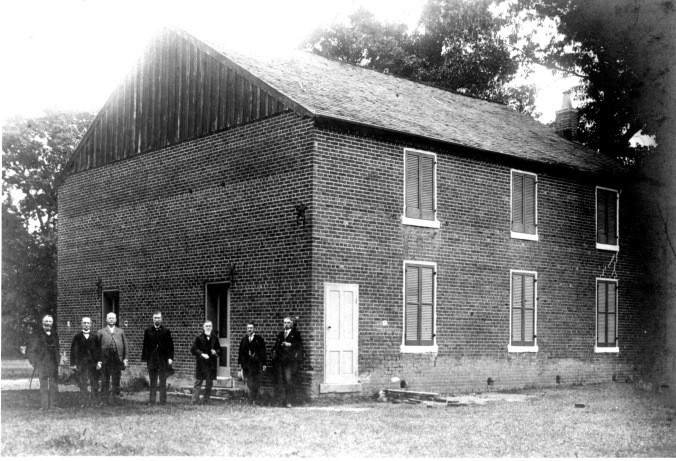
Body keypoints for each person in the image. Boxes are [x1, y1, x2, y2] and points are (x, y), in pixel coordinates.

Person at [141, 311, 174, 405]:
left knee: (163, 380)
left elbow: (170, 346)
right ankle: (152, 400)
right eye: (155, 318)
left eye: (159, 318)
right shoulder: (148, 331)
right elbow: (145, 345)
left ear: (161, 319)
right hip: (152, 359)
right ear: (153, 319)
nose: (157, 320)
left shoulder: (166, 331)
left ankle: (163, 400)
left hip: (162, 359)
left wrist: (170, 358)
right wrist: (146, 358)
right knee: (153, 381)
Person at [28, 315, 60, 411]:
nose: (48, 323)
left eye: (50, 321)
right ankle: (45, 406)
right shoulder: (37, 334)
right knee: (44, 384)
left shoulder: (55, 334)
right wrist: (34, 362)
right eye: (46, 321)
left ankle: (53, 406)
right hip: (42, 363)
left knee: (54, 384)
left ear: (52, 323)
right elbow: (31, 350)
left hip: (53, 363)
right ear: (42, 323)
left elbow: (57, 348)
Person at [96, 312, 128, 405]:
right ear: (106, 319)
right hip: (105, 359)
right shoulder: (101, 332)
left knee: (116, 379)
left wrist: (125, 359)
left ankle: (116, 400)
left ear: (116, 320)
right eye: (109, 318)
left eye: (113, 318)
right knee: (105, 380)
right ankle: (104, 400)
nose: (111, 320)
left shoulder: (121, 332)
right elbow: (97, 348)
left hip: (117, 359)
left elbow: (125, 346)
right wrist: (99, 360)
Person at [272, 317, 303, 408]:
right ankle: (280, 401)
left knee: (288, 380)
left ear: (292, 323)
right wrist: (274, 351)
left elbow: (299, 346)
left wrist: (289, 344)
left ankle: (289, 401)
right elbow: (276, 346)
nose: (286, 324)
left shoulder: (296, 334)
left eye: (288, 323)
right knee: (279, 381)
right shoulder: (281, 334)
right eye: (285, 322)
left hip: (290, 361)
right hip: (280, 361)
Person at [70, 316, 100, 406]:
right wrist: (73, 364)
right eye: (84, 323)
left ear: (91, 324)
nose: (86, 325)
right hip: (81, 363)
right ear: (81, 324)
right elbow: (73, 351)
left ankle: (94, 401)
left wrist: (99, 362)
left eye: (88, 323)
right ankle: (84, 402)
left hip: (93, 363)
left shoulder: (95, 336)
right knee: (82, 382)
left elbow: (99, 350)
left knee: (94, 382)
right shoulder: (77, 337)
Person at [190, 321, 221, 404]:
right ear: (203, 328)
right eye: (206, 326)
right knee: (199, 382)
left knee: (209, 382)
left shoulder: (215, 338)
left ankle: (206, 399)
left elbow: (219, 349)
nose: (208, 327)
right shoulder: (199, 338)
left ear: (211, 327)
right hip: (201, 364)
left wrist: (215, 352)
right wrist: (202, 354)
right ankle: (194, 400)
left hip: (211, 364)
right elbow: (193, 349)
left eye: (209, 326)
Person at [238, 322, 267, 404]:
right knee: (249, 382)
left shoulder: (259, 339)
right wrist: (240, 363)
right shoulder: (244, 339)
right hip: (247, 365)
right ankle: (251, 399)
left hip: (256, 365)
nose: (249, 329)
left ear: (254, 329)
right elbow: (241, 352)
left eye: (251, 328)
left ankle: (255, 399)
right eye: (248, 328)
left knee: (256, 382)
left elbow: (263, 352)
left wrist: (264, 364)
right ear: (246, 329)